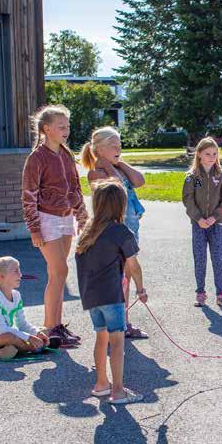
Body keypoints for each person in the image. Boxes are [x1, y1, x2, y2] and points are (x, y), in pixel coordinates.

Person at [21, 105, 88, 347]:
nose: (66, 130)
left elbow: (75, 187)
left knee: (57, 274)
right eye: (61, 127)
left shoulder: (66, 154)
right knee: (60, 271)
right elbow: (28, 195)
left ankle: (57, 326)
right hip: (46, 218)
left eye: (68, 126)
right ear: (46, 129)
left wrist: (81, 214)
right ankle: (50, 328)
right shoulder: (36, 158)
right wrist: (34, 228)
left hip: (65, 218)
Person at [75, 180, 148, 404]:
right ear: (120, 206)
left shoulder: (87, 231)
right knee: (117, 341)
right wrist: (140, 289)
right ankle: (118, 391)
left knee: (101, 337)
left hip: (91, 296)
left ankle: (101, 384)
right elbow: (133, 266)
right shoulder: (120, 231)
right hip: (111, 296)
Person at [80, 126, 148, 339]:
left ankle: (123, 322)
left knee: (125, 277)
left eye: (119, 145)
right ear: (98, 149)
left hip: (128, 230)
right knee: (118, 278)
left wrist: (118, 163)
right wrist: (109, 167)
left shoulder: (118, 168)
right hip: (112, 234)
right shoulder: (97, 173)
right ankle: (117, 325)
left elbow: (139, 181)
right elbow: (117, 189)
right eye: (112, 146)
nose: (118, 148)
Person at [0, 256, 60, 359]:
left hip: (10, 335)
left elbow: (22, 324)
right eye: (15, 271)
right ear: (1, 276)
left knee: (43, 331)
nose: (21, 275)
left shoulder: (16, 295)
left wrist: (37, 333)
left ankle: (6, 352)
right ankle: (34, 348)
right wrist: (30, 338)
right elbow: (2, 329)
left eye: (19, 270)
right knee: (9, 337)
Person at [181, 138, 222, 307]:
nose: (212, 157)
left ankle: (220, 292)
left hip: (216, 225)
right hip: (199, 225)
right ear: (199, 155)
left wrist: (215, 217)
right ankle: (200, 292)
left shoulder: (221, 176)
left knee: (218, 258)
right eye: (207, 154)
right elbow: (189, 199)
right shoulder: (195, 177)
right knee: (200, 258)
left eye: (214, 153)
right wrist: (198, 218)